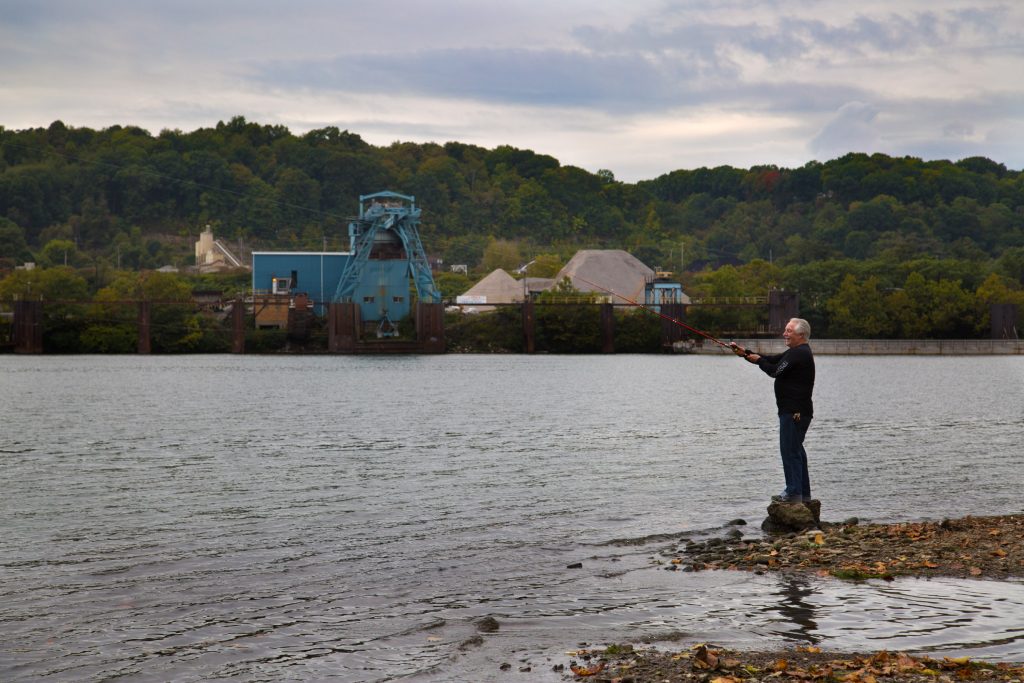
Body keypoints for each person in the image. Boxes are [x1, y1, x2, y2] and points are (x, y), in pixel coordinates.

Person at [730, 319, 815, 504]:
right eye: (785, 329)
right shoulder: (796, 352)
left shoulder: (799, 353)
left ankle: (793, 493)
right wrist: (746, 354)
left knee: (790, 451)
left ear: (800, 335)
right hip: (797, 411)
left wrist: (759, 361)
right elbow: (772, 359)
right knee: (796, 451)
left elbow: (774, 371)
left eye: (789, 331)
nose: (785, 333)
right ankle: (803, 495)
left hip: (794, 412)